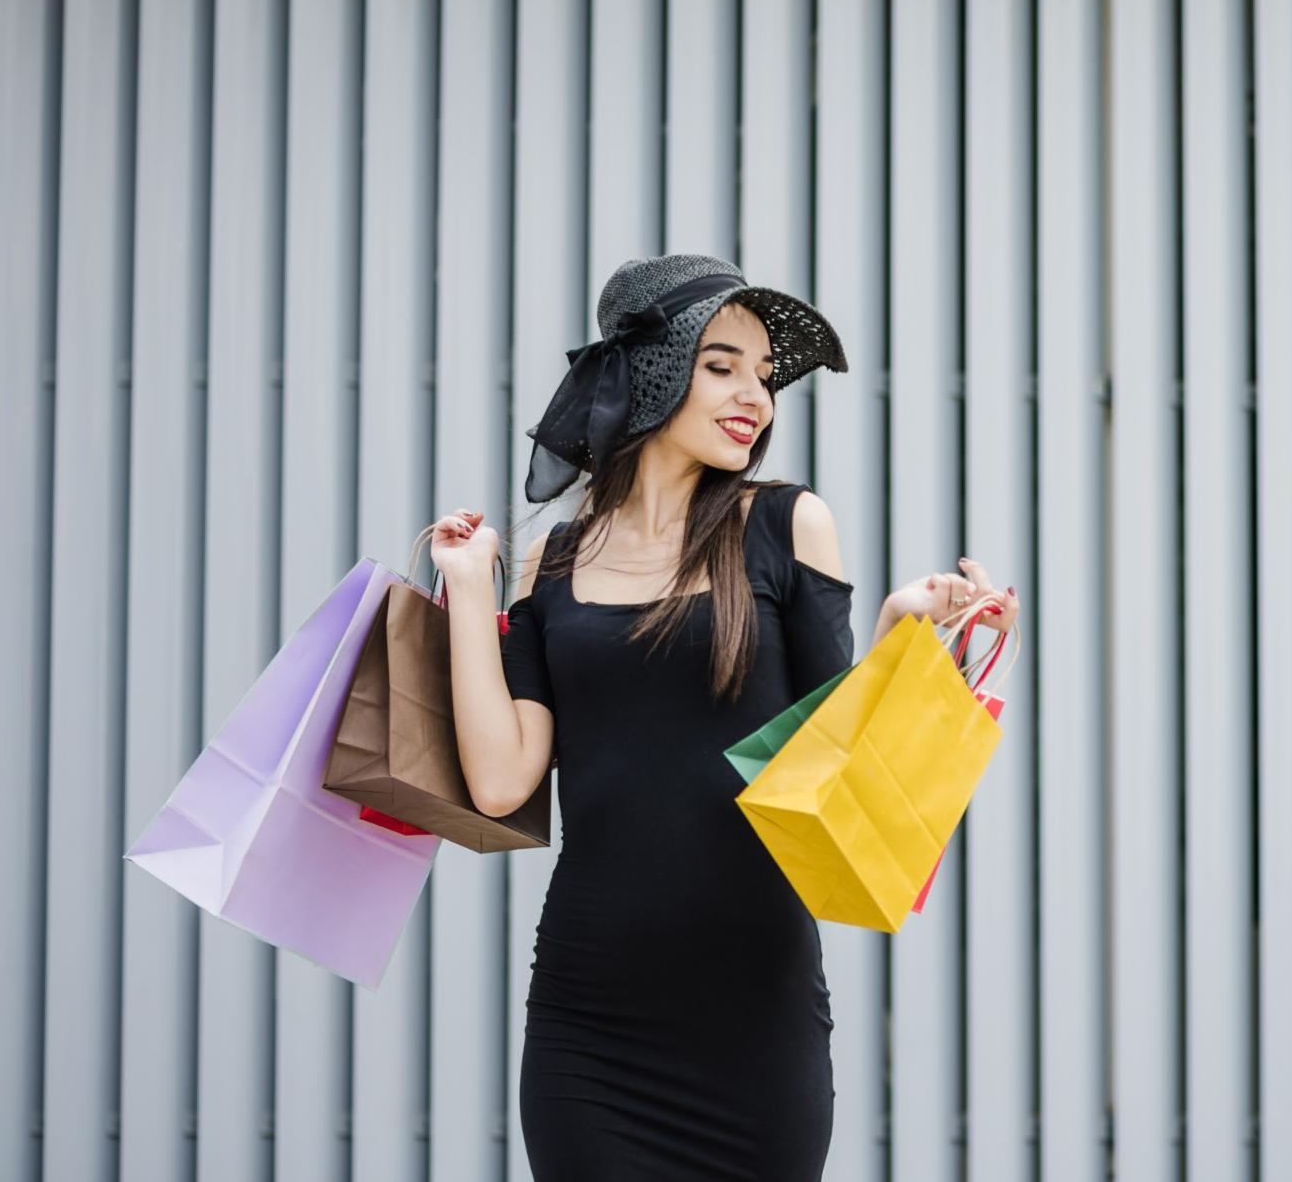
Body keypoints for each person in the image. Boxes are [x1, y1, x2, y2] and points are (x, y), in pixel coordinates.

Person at [429, 254, 1019, 1180]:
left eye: (762, 373)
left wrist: (903, 633)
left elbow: (830, 756)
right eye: (722, 365)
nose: (757, 396)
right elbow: (503, 779)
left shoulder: (786, 524)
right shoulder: (551, 561)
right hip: (592, 1026)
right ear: (650, 370)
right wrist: (472, 591)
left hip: (756, 1018)